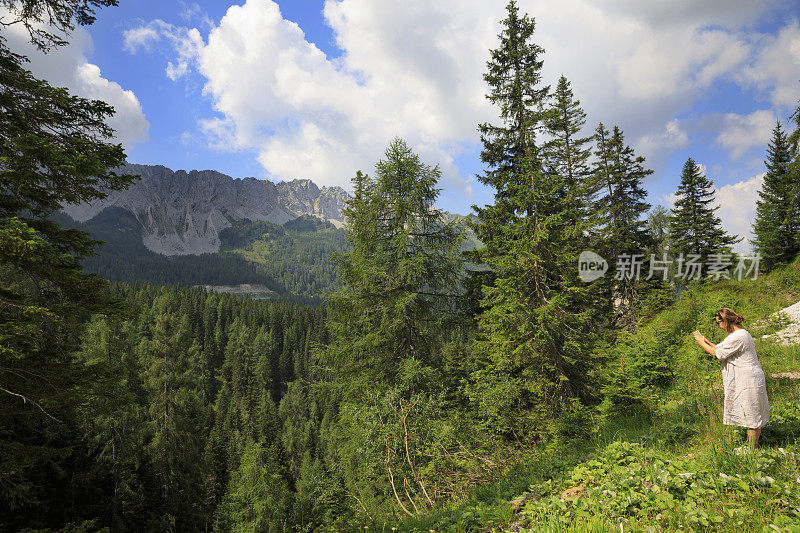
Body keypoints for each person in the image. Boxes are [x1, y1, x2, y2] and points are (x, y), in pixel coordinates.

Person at [693, 308, 769, 451]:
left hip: (747, 379)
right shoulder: (741, 334)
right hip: (748, 377)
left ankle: (753, 450)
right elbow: (723, 349)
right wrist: (708, 342)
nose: (719, 326)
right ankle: (751, 447)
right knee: (749, 411)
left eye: (718, 323)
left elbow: (718, 354)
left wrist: (701, 343)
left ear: (726, 321)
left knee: (751, 414)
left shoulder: (737, 336)